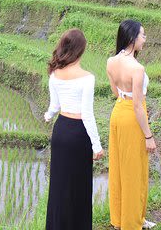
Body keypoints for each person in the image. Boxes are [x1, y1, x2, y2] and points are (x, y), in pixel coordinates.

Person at [44, 28, 104, 229]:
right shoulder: (87, 78)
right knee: (78, 186)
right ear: (81, 50)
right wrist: (97, 146)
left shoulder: (55, 73)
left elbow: (54, 106)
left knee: (59, 185)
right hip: (78, 135)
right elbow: (87, 114)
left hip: (61, 131)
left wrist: (48, 116)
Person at [107, 19, 157, 230]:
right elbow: (138, 107)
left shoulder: (111, 61)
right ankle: (133, 222)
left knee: (119, 168)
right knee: (134, 171)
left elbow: (115, 93)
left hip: (118, 112)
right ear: (132, 38)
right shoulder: (137, 68)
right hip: (132, 117)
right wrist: (148, 136)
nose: (145, 39)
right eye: (142, 35)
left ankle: (120, 220)